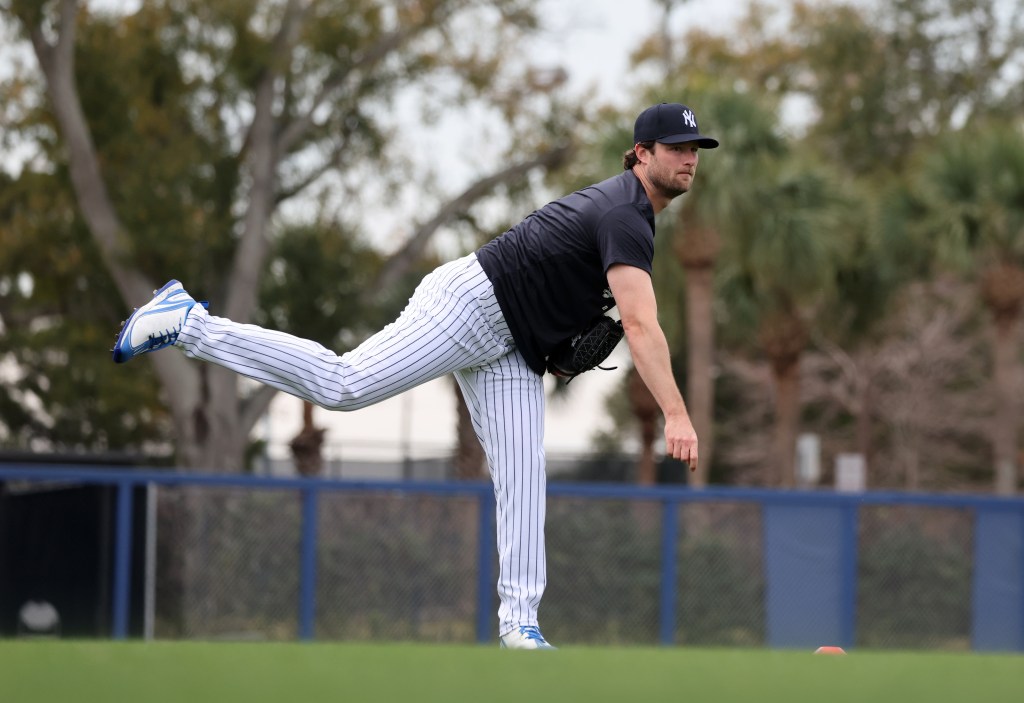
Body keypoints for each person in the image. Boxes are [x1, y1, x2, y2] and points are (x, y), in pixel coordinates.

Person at [112, 102, 717, 649]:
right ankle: (188, 322)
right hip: (470, 305)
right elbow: (640, 325)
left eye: (694, 149)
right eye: (675, 147)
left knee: (523, 473)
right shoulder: (624, 214)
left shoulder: (631, 214)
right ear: (641, 153)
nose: (688, 158)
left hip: (512, 346)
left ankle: (520, 626)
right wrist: (677, 412)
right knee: (344, 385)